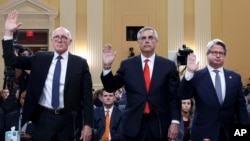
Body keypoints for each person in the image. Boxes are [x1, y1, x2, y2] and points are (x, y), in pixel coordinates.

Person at [2, 10, 93, 141]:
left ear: (70, 41)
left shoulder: (80, 63)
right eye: (56, 37)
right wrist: (8, 33)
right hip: (43, 117)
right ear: (52, 40)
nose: (60, 40)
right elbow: (11, 60)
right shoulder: (40, 58)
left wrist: (88, 124)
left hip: (68, 120)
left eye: (64, 37)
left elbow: (87, 97)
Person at [101, 26, 181, 141]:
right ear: (138, 42)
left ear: (156, 42)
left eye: (150, 37)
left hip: (160, 125)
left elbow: (174, 97)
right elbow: (110, 86)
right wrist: (107, 66)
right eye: (143, 38)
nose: (147, 40)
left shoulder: (168, 66)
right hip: (133, 126)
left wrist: (175, 121)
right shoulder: (127, 65)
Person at [178, 39, 249, 141]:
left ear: (225, 56)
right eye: (214, 52)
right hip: (203, 133)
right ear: (207, 54)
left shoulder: (235, 77)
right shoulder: (197, 76)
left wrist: (244, 133)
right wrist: (189, 72)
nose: (218, 55)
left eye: (221, 53)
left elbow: (241, 108)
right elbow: (183, 95)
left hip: (228, 133)